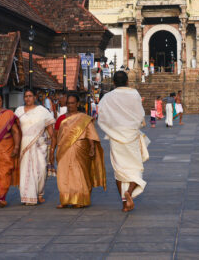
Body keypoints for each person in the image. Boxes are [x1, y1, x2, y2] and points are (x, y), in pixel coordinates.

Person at [98, 71, 150, 212]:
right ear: (127, 81)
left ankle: (124, 203)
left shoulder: (107, 97)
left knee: (119, 170)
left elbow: (101, 114)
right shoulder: (134, 94)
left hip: (116, 137)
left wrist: (111, 127)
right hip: (131, 135)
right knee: (135, 166)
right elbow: (140, 114)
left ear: (113, 83)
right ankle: (130, 191)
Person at [50, 93, 106, 208]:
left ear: (77, 104)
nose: (70, 105)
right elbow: (55, 136)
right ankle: (65, 200)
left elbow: (90, 133)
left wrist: (92, 148)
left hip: (80, 149)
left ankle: (80, 200)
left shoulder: (83, 118)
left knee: (78, 174)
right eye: (68, 103)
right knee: (63, 175)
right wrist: (51, 151)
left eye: (72, 103)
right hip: (63, 150)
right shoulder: (61, 118)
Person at [15, 89, 55, 206]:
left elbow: (50, 129)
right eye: (26, 96)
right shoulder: (18, 111)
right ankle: (26, 196)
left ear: (35, 97)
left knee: (41, 169)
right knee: (24, 171)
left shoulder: (42, 111)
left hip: (39, 145)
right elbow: (14, 129)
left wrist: (54, 143)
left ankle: (39, 193)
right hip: (24, 145)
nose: (28, 98)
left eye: (30, 96)